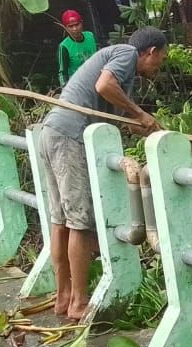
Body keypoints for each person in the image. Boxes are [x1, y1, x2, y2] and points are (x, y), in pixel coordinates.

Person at [39, 27, 166, 322]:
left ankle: (64, 298)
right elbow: (104, 85)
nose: (159, 65)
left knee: (61, 221)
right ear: (150, 52)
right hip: (70, 136)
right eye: (161, 59)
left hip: (53, 131)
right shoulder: (126, 54)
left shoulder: (125, 73)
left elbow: (126, 120)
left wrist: (154, 127)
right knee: (79, 223)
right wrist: (138, 112)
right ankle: (78, 303)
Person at [57, 9, 98, 86]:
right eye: (70, 26)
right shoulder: (64, 46)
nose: (74, 29)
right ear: (65, 28)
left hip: (96, 77)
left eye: (77, 25)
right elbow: (63, 73)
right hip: (78, 82)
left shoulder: (90, 36)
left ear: (81, 23)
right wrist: (65, 88)